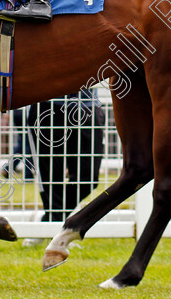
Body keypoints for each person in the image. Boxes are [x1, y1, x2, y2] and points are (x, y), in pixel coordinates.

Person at [19, 90, 104, 246]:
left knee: (88, 178)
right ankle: (57, 231)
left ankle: (49, 221)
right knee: (51, 178)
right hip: (46, 104)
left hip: (87, 105)